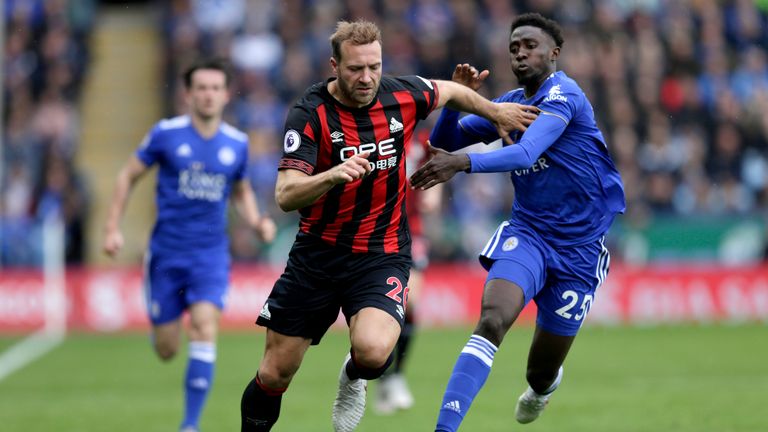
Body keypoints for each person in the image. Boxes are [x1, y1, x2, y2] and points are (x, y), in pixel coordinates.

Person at [239, 19, 539, 432]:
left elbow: (449, 91)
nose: (366, 78)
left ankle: (354, 377)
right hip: (317, 255)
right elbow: (286, 194)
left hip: (381, 252)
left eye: (374, 67)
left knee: (374, 351)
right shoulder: (309, 114)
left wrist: (495, 111)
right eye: (355, 69)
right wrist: (332, 175)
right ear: (334, 65)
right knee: (274, 374)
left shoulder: (402, 93)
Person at [408, 13, 626, 431]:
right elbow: (443, 142)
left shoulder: (566, 95)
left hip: (579, 249)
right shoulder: (508, 102)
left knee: (539, 373)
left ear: (554, 53)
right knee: (492, 319)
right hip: (528, 233)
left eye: (530, 45)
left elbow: (525, 153)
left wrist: (463, 163)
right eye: (514, 48)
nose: (520, 53)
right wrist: (458, 101)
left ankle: (543, 389)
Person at [103, 58, 276, 432]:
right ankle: (161, 327)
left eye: (216, 88)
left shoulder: (237, 143)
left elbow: (241, 190)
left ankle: (190, 424)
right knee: (167, 349)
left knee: (203, 327)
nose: (209, 95)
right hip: (165, 255)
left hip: (210, 256)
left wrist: (257, 221)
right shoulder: (166, 134)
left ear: (227, 94)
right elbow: (127, 176)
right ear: (188, 94)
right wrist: (112, 227)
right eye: (201, 88)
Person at [373, 130, 443, 415]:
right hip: (378, 232)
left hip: (412, 229)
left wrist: (435, 192)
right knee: (386, 309)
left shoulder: (423, 139)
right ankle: (382, 377)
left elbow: (438, 162)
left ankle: (397, 376)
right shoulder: (379, 135)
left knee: (410, 302)